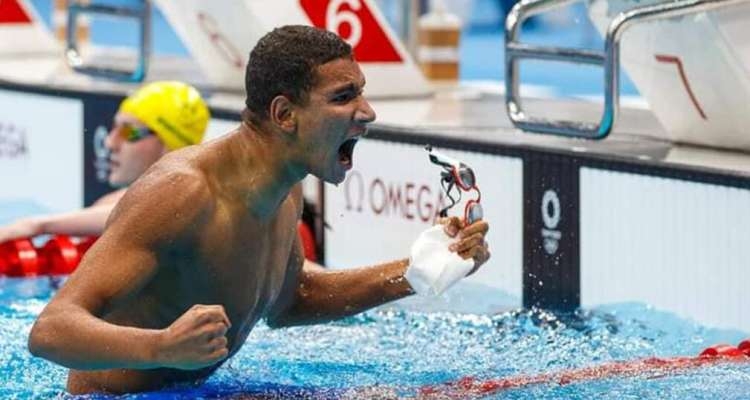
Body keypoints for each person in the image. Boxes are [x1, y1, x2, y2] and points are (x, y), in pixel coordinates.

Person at [27, 25, 491, 394]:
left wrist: (418, 271)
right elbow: (50, 331)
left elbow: (290, 301)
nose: (367, 112)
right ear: (284, 114)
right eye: (343, 97)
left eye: (361, 92)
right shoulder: (182, 193)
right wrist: (161, 346)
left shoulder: (285, 189)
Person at [0, 81, 210, 243]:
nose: (110, 142)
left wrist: (40, 225)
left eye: (128, 131)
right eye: (114, 128)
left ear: (170, 145)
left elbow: (144, 212)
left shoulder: (194, 203)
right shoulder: (113, 202)